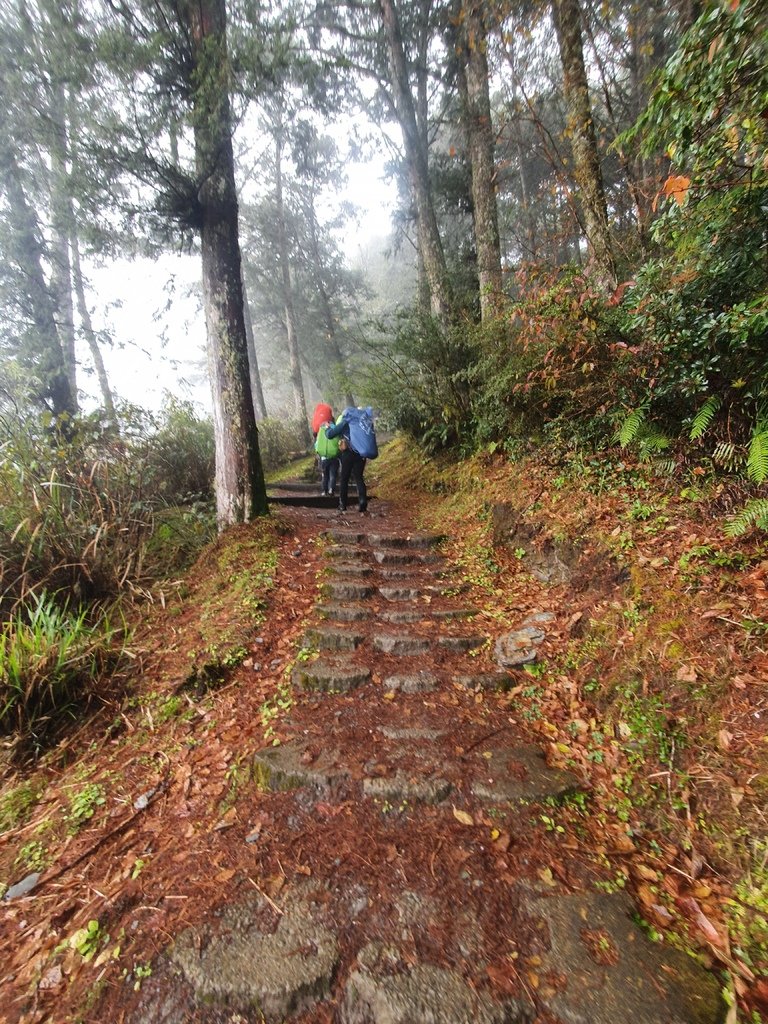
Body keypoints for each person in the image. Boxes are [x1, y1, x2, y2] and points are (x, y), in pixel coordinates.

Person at [325, 407, 377, 514]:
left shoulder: (347, 421)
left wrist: (327, 428)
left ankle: (342, 505)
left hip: (348, 453)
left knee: (344, 479)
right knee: (359, 478)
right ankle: (362, 502)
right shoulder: (363, 423)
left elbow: (330, 434)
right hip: (360, 454)